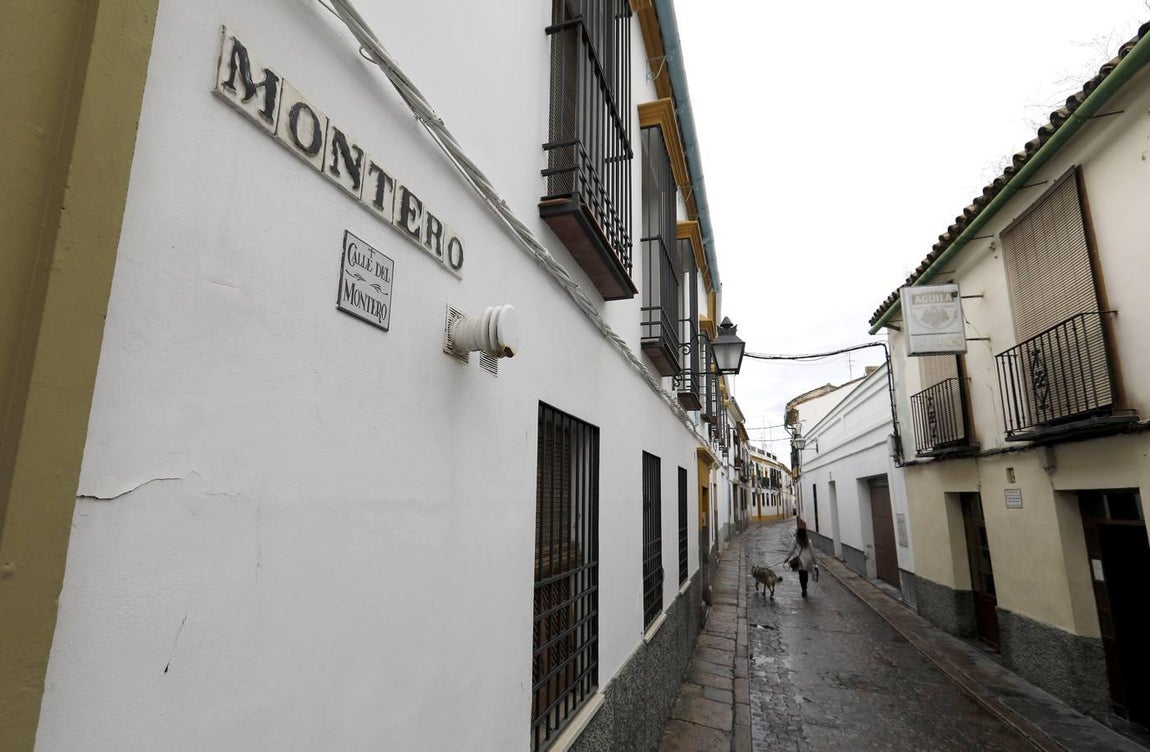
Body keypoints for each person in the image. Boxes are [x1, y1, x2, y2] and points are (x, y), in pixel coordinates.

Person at [786, 521, 818, 597]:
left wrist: (787, 558)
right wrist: (815, 562)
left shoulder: (795, 540)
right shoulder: (809, 541)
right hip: (808, 561)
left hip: (800, 561)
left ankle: (803, 589)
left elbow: (791, 550)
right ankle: (805, 587)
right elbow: (813, 553)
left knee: (801, 575)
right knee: (805, 574)